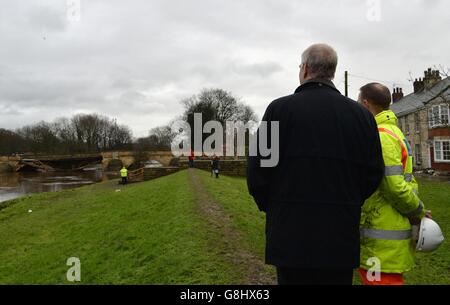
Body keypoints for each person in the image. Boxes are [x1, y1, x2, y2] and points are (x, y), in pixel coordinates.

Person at [247, 44, 384, 285]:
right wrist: (349, 200)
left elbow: (258, 171)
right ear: (332, 72)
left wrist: (275, 207)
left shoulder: (278, 109)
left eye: (300, 66)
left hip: (290, 233)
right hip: (339, 234)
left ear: (306, 69)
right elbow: (373, 174)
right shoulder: (362, 116)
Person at [357, 83, 431, 285]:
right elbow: (409, 180)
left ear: (365, 104)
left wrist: (418, 211)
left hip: (380, 235)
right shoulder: (395, 133)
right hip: (390, 228)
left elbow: (394, 186)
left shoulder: (380, 137)